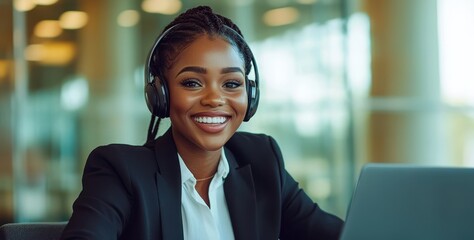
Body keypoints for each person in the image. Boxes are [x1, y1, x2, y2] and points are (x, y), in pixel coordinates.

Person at [61, 5, 344, 240]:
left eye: (231, 83)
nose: (214, 98)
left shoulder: (262, 162)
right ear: (160, 94)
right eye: (192, 83)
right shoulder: (121, 172)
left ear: (250, 95)